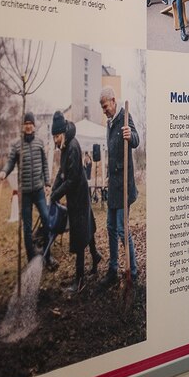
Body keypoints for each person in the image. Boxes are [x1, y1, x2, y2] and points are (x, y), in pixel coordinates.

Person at [50, 115, 102, 293]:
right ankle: (95, 256)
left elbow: (71, 180)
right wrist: (54, 189)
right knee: (88, 226)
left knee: (80, 236)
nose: (55, 140)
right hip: (78, 196)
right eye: (53, 137)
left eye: (56, 136)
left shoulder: (72, 147)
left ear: (63, 133)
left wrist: (56, 194)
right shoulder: (65, 146)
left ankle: (79, 281)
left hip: (78, 197)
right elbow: (61, 171)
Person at [0, 111, 52, 267]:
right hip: (25, 192)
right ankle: (31, 258)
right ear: (23, 126)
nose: (28, 126)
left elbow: (44, 165)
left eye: (31, 123)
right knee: (27, 227)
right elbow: (10, 162)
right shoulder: (16, 145)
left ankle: (48, 256)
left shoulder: (40, 143)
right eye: (26, 123)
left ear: (34, 126)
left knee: (47, 220)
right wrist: (4, 172)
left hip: (39, 191)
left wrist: (47, 183)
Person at [99, 86, 140, 287]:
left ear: (113, 101)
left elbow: (137, 140)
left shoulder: (124, 117)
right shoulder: (109, 123)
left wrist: (129, 135)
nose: (104, 110)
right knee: (110, 227)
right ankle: (113, 270)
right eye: (102, 107)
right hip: (113, 186)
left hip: (124, 185)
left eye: (105, 106)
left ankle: (132, 271)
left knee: (122, 229)